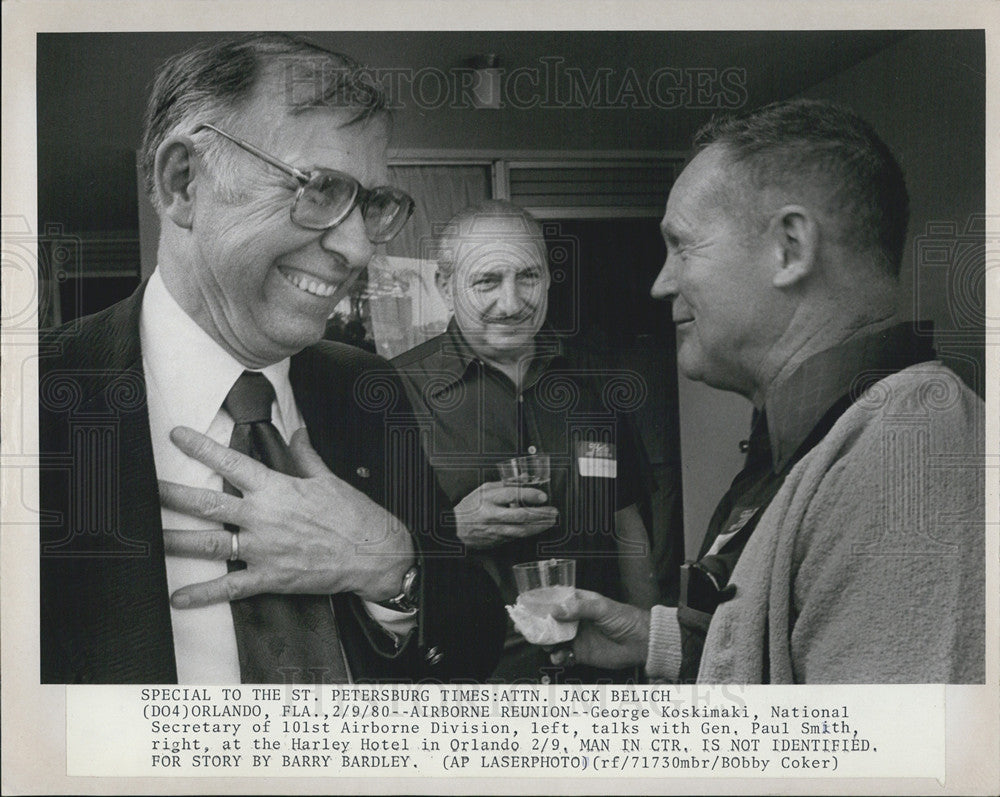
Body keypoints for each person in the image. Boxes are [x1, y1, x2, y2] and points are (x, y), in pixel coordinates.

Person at [38, 33, 505, 684]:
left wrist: (392, 564)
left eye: (371, 206)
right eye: (318, 189)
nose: (358, 249)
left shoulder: (366, 387)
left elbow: (474, 646)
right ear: (182, 183)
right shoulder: (33, 394)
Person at [549, 99, 985, 684]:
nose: (660, 283)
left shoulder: (913, 448)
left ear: (789, 248)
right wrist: (658, 640)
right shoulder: (825, 437)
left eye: (682, 246)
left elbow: (868, 760)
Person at [392, 200, 658, 682]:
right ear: (445, 287)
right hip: (470, 689)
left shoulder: (595, 384)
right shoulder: (397, 393)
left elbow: (626, 522)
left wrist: (650, 655)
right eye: (487, 281)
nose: (511, 304)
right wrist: (449, 530)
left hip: (599, 680)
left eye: (528, 278)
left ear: (549, 280)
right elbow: (355, 548)